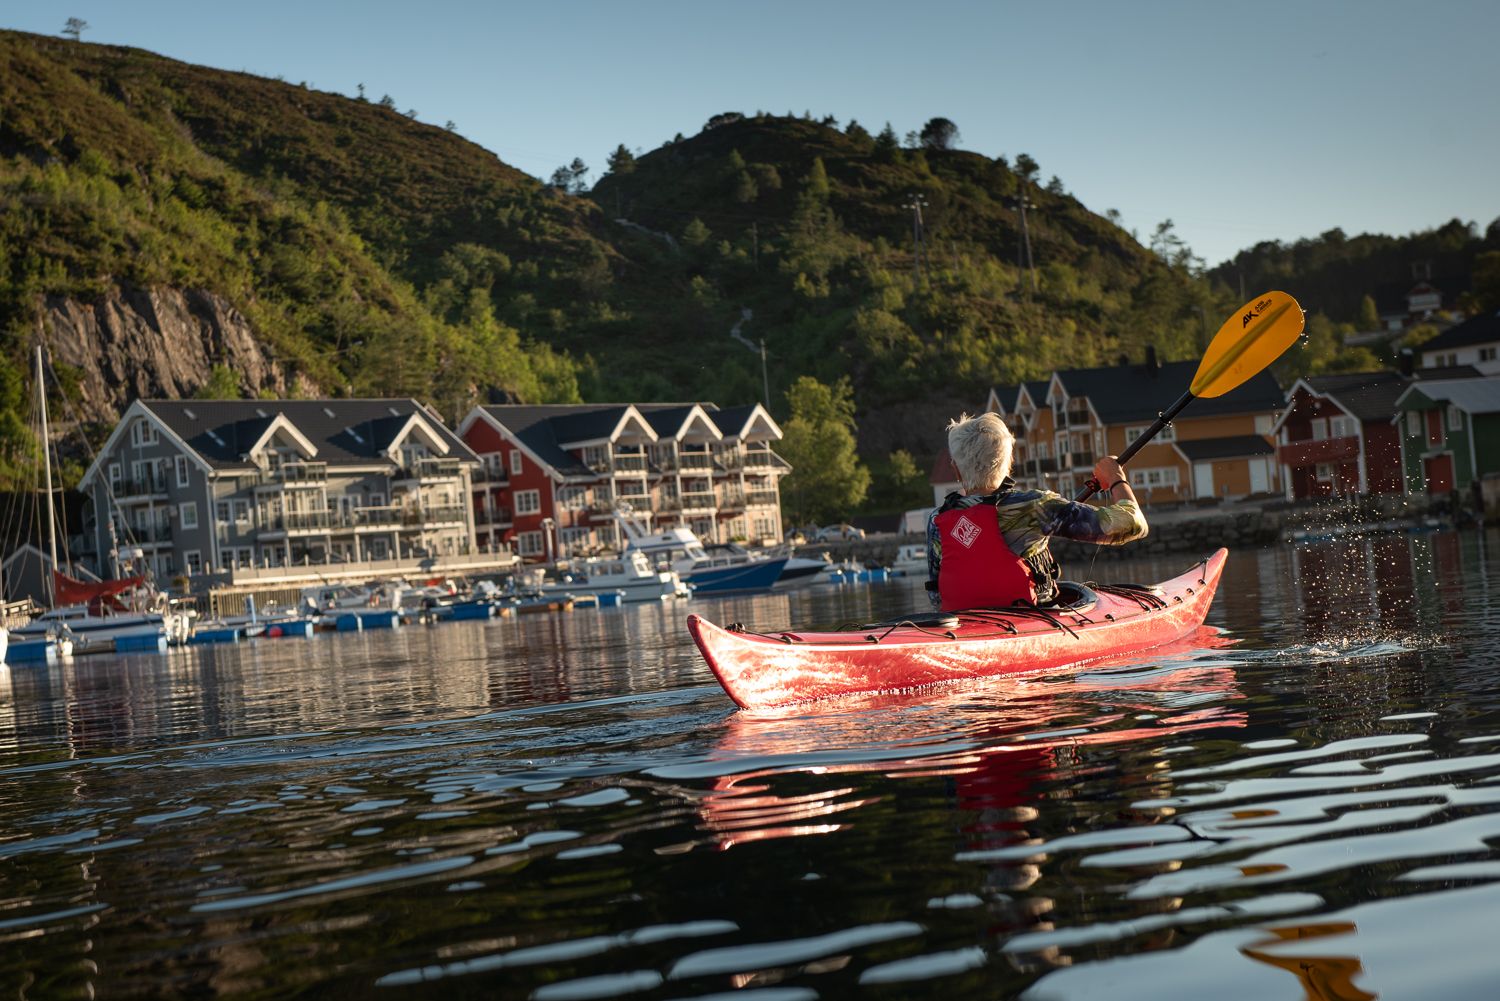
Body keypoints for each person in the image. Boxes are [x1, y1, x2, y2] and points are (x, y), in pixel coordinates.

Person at [926, 412, 1148, 610]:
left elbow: (936, 597)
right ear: (1009, 462)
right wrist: (1116, 478)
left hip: (963, 627)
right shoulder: (1035, 506)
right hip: (1032, 618)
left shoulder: (937, 520)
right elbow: (1132, 524)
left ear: (956, 470)